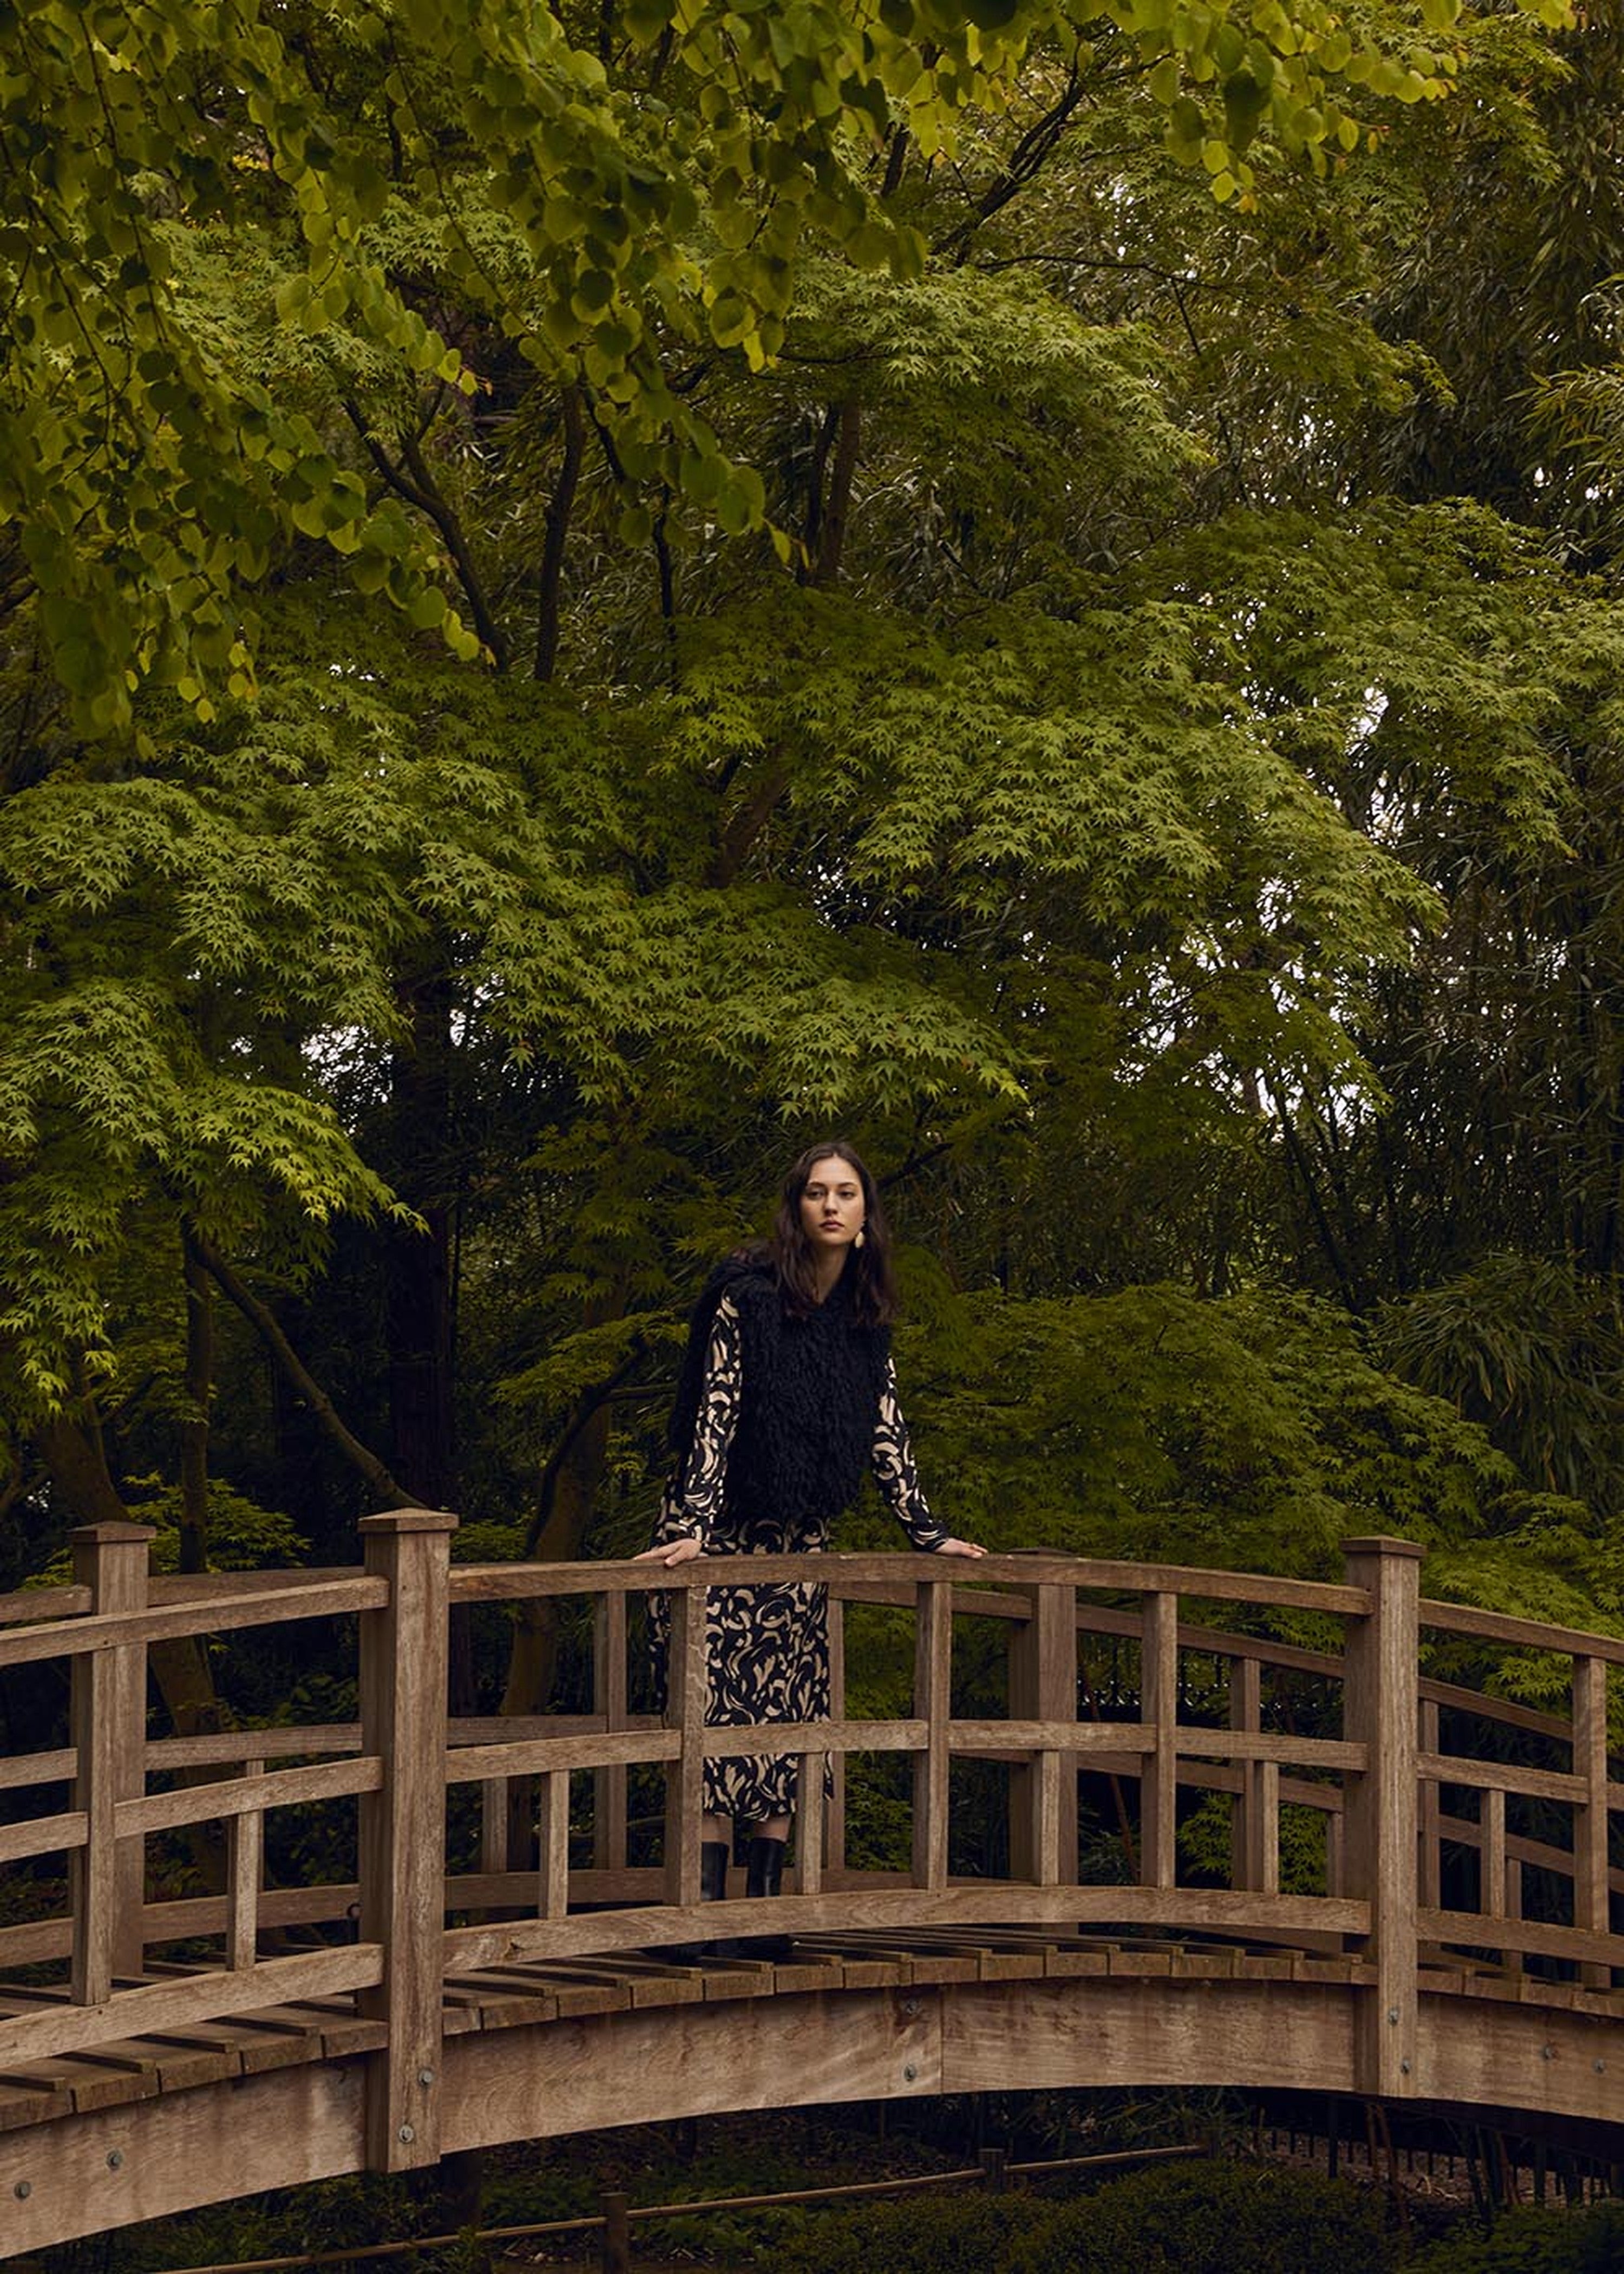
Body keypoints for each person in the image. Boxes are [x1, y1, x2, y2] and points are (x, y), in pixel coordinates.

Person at [635, 1140, 984, 1924]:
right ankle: (703, 1921)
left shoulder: (865, 1323)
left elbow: (885, 1433)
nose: (832, 1204)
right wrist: (691, 1523)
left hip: (800, 1549)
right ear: (797, 1210)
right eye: (817, 1193)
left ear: (865, 1218)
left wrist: (928, 1534)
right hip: (720, 1539)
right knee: (713, 1723)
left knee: (784, 1724)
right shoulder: (746, 1297)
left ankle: (764, 1917)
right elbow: (714, 1413)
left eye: (847, 1193)